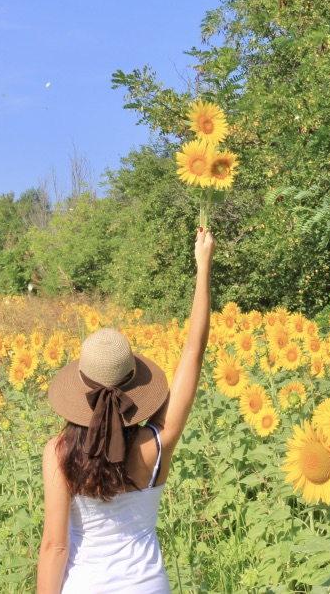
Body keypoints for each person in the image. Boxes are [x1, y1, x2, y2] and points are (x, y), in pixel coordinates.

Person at [36, 228, 215, 593]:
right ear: (134, 386)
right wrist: (203, 267)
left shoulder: (58, 453)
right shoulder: (156, 444)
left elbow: (55, 546)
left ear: (79, 388)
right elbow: (193, 353)